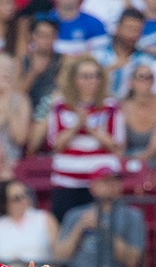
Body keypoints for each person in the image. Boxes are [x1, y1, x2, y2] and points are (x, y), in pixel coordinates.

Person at [55, 167, 143, 267]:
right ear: (92, 187)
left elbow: (132, 258)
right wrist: (80, 227)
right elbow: (60, 255)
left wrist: (104, 229)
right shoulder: (76, 214)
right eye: (105, 181)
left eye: (116, 181)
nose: (112, 185)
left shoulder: (132, 215)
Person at [46, 56, 124, 221]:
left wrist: (89, 128)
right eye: (85, 76)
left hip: (101, 182)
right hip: (68, 181)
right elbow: (56, 144)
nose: (91, 81)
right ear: (74, 79)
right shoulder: (60, 105)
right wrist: (76, 126)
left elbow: (115, 145)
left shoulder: (110, 106)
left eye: (95, 76)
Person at [0, 179, 59, 264]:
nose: (24, 200)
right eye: (17, 198)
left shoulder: (45, 218)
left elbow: (59, 255)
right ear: (5, 202)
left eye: (25, 195)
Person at [120, 63, 156, 163]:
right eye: (141, 77)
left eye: (150, 77)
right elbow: (120, 143)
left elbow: (155, 147)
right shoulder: (123, 107)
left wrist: (138, 162)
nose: (146, 81)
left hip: (154, 159)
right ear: (131, 82)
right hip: (127, 157)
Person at [96, 8, 148, 99]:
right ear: (118, 28)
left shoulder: (145, 60)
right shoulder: (98, 55)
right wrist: (109, 69)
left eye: (137, 30)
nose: (132, 34)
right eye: (129, 28)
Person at [21, 18, 63, 112]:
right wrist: (33, 72)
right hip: (27, 108)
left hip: (52, 108)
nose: (46, 40)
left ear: (56, 37)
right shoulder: (22, 61)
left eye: (50, 36)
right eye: (41, 35)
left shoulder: (62, 61)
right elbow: (17, 95)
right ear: (33, 36)